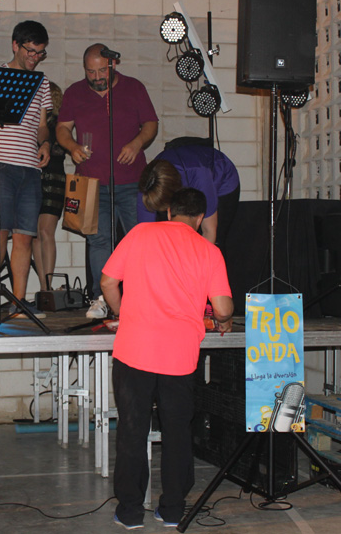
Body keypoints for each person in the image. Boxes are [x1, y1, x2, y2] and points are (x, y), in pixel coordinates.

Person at [100, 188, 233, 530]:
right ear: (200, 218)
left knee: (132, 430)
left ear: (169, 211)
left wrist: (122, 313)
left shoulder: (140, 233)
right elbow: (221, 308)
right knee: (177, 433)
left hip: (134, 351)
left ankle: (130, 512)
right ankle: (172, 510)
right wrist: (225, 319)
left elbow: (108, 281)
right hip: (179, 357)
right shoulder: (209, 251)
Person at [56, 43, 159, 319]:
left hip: (132, 180)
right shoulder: (75, 92)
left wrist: (137, 143)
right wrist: (72, 147)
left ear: (113, 65)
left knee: (139, 239)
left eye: (102, 70)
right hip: (91, 182)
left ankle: (142, 297)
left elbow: (151, 124)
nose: (97, 77)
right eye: (91, 72)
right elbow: (62, 128)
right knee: (98, 240)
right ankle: (100, 298)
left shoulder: (134, 87)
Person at [0, 20, 52, 319]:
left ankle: (18, 302)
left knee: (25, 235)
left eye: (40, 53)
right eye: (30, 51)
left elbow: (42, 125)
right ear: (15, 45)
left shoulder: (41, 82)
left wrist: (45, 143)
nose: (35, 58)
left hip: (30, 167)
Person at [137, 143, 240, 247]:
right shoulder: (148, 188)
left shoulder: (200, 175)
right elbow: (146, 236)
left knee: (215, 238)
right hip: (180, 178)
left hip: (222, 179)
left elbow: (209, 231)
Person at [32, 82, 66, 292]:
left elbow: (59, 152)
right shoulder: (35, 124)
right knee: (36, 234)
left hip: (53, 180)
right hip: (36, 179)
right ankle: (44, 287)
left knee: (45, 232)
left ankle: (47, 287)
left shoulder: (60, 126)